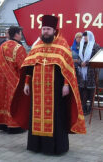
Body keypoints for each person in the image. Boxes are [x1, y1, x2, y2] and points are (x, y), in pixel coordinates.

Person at [11, 15, 86, 155]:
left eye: (48, 29)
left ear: (54, 30)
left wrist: (66, 85)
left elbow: (68, 69)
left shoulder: (62, 45)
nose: (45, 31)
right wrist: (26, 83)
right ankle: (36, 146)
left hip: (56, 90)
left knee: (56, 116)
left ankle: (55, 148)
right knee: (36, 116)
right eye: (44, 29)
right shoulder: (37, 46)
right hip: (37, 90)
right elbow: (30, 67)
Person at [0, 26, 27, 133]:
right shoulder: (18, 48)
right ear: (16, 34)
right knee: (14, 102)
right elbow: (24, 67)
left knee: (3, 100)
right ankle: (15, 126)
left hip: (2, 80)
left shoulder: (2, 46)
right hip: (15, 81)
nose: (21, 36)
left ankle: (2, 124)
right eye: (20, 33)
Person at [78, 31, 100, 115]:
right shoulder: (82, 45)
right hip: (82, 71)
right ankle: (83, 108)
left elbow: (97, 58)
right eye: (83, 36)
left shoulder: (95, 46)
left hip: (91, 71)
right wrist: (80, 63)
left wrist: (86, 63)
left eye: (86, 36)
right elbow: (80, 57)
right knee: (83, 90)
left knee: (91, 90)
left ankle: (90, 108)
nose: (84, 38)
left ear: (90, 36)